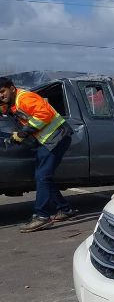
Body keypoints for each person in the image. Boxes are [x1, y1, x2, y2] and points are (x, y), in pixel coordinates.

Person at [0, 76, 75, 232]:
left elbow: (43, 115)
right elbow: (10, 112)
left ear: (12, 88)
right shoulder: (13, 103)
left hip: (57, 138)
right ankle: (65, 209)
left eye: (2, 91)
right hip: (49, 140)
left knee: (42, 176)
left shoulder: (25, 98)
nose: (1, 96)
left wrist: (23, 133)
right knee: (43, 176)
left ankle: (42, 216)